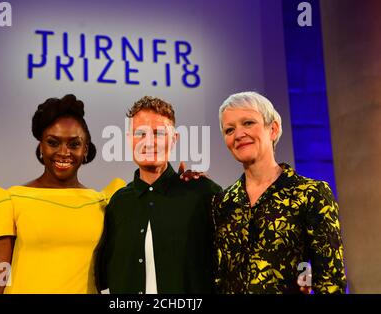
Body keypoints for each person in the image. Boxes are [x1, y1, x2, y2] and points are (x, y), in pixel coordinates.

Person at [0, 94, 125, 293]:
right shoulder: (11, 201)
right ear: (41, 147)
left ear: (86, 150)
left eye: (74, 144)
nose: (64, 152)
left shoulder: (103, 204)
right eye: (53, 142)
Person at [212, 91, 347, 294]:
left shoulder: (310, 194)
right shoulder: (222, 202)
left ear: (273, 129)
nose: (238, 134)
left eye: (248, 123)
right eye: (229, 130)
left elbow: (330, 281)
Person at [95, 96, 222, 294]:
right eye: (140, 133)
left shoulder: (203, 193)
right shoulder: (117, 203)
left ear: (174, 139)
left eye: (159, 133)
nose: (149, 142)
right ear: (129, 139)